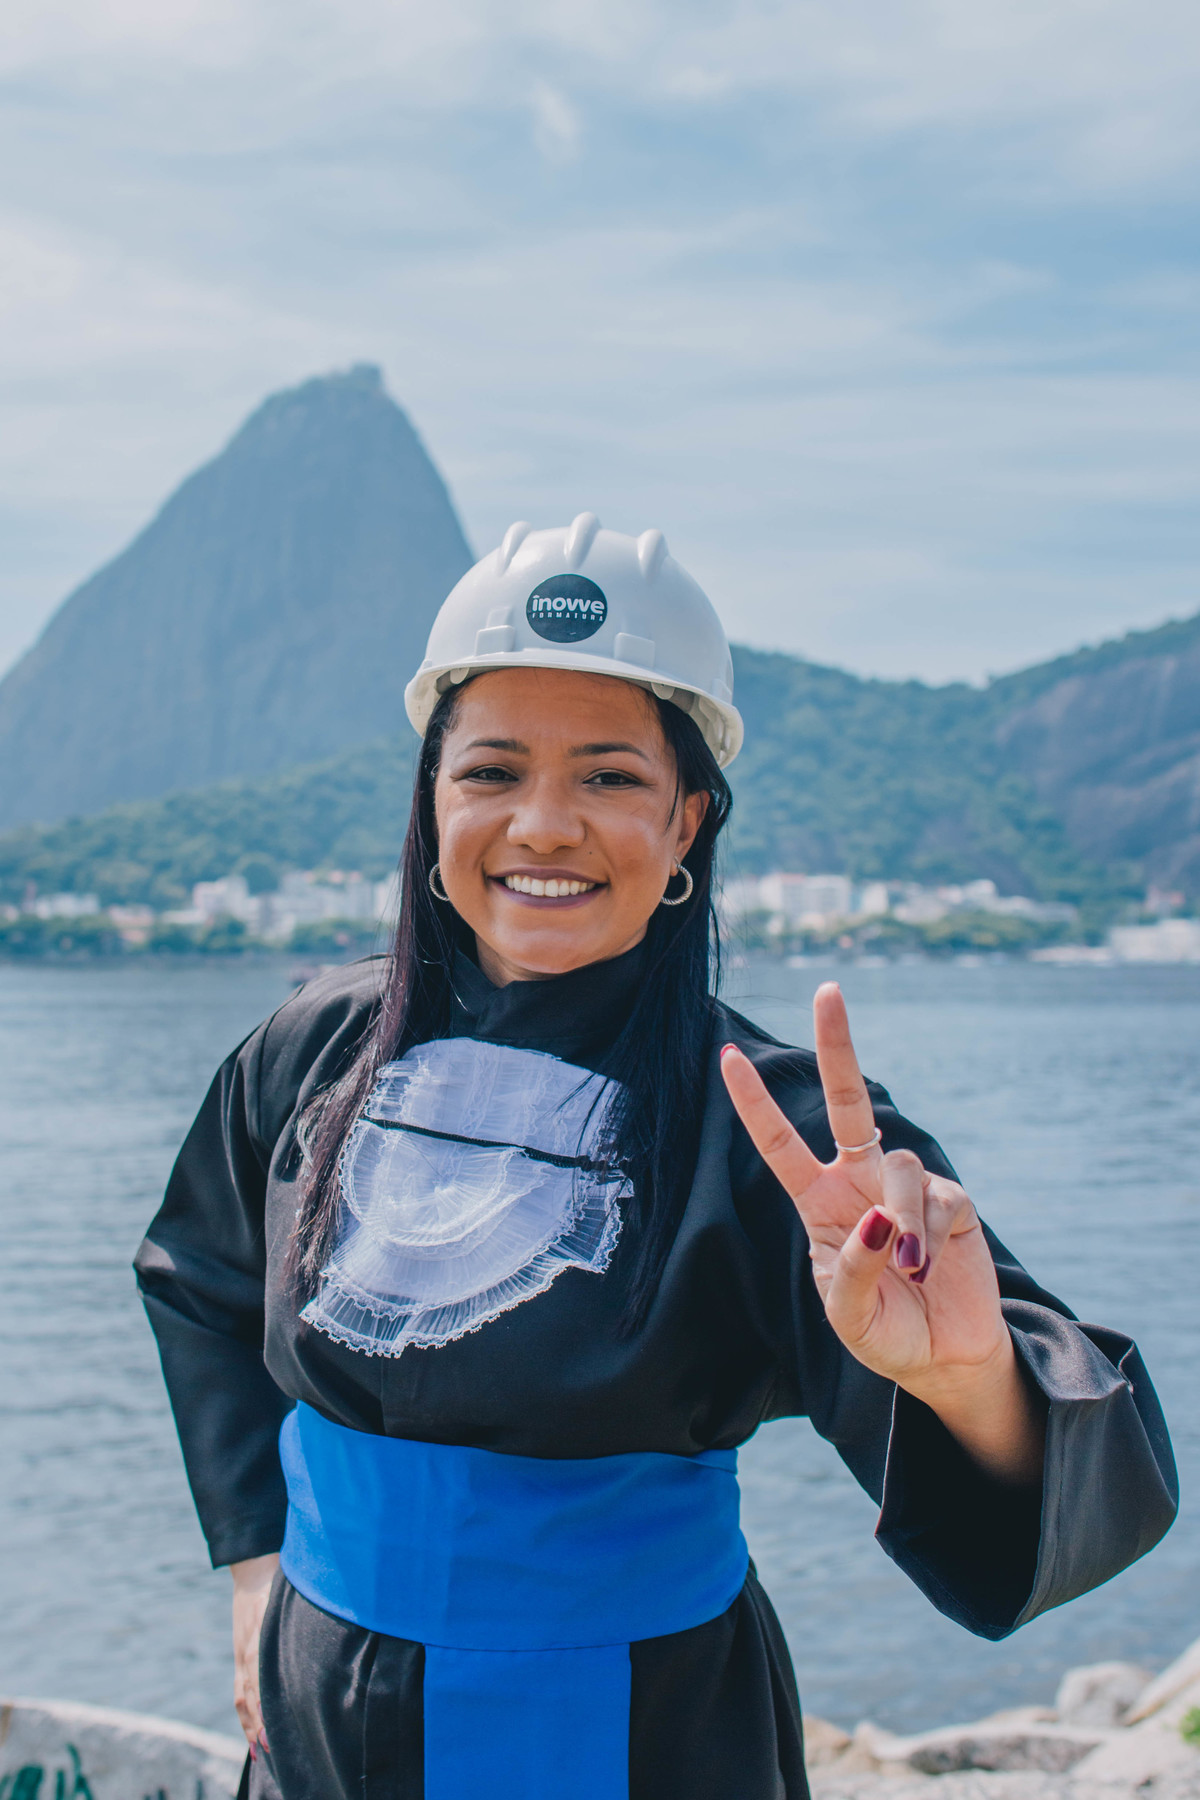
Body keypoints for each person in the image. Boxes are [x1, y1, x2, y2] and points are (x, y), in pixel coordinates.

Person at [136, 516, 1177, 1800]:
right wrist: (253, 1567)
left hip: (637, 1726)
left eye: (612, 779)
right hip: (316, 1710)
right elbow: (199, 1278)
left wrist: (968, 1378)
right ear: (431, 801)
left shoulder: (788, 1132)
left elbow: (1075, 1458)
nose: (544, 824)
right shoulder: (313, 1050)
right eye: (491, 772)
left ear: (687, 822)